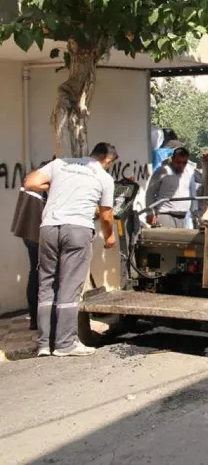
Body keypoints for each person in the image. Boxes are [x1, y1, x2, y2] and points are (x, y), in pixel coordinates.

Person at [23, 142, 118, 357]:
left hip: (48, 228)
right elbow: (106, 215)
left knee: (46, 284)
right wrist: (110, 236)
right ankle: (66, 344)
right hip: (77, 229)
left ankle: (45, 344)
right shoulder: (103, 177)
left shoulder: (60, 165)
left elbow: (30, 182)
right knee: (70, 285)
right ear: (107, 160)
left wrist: (53, 187)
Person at [145, 147, 208, 228]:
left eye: (184, 162)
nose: (181, 165)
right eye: (178, 162)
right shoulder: (162, 171)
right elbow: (149, 193)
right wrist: (149, 214)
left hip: (184, 216)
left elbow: (204, 180)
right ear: (172, 159)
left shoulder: (190, 170)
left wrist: (206, 164)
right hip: (165, 215)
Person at [9, 185, 46, 330]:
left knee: (35, 272)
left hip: (28, 231)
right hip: (41, 233)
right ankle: (41, 319)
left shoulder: (33, 177)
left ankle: (35, 319)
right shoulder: (46, 179)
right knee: (45, 275)